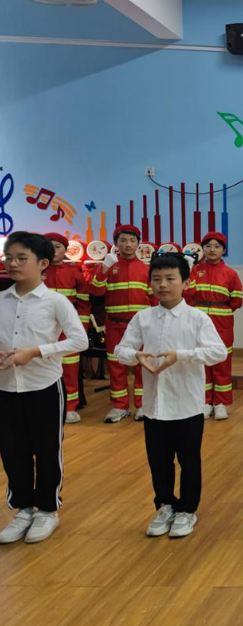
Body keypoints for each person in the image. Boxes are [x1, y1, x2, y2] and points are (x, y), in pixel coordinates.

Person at [115, 253, 227, 538]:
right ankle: (165, 505)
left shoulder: (197, 318)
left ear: (186, 283)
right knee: (158, 461)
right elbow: (121, 350)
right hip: (154, 406)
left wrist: (181, 355)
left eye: (170, 278)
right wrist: (136, 356)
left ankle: (187, 510)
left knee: (189, 461)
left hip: (187, 404)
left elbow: (218, 352)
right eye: (156, 279)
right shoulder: (143, 318)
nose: (162, 285)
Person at [0, 232, 88, 544]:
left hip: (44, 387)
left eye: (22, 258)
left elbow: (80, 340)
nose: (13, 263)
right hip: (6, 389)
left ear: (43, 264)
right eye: (9, 257)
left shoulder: (56, 301)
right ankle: (23, 509)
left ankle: (48, 510)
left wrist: (36, 351)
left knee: (47, 450)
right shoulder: (1, 300)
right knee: (12, 451)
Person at [89, 225, 155, 422]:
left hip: (141, 326)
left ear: (139, 244)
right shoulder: (108, 267)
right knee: (116, 365)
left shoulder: (147, 269)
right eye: (123, 240)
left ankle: (142, 405)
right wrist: (104, 269)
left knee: (142, 366)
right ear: (116, 243)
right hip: (115, 325)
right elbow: (96, 291)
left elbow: (154, 299)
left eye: (132, 240)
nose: (128, 244)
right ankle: (119, 407)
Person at [185, 232, 243, 420]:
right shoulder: (194, 271)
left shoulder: (231, 274)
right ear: (202, 249)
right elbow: (188, 295)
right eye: (208, 246)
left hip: (222, 324)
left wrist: (220, 311)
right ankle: (205, 402)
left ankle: (220, 404)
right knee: (202, 363)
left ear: (223, 250)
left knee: (222, 364)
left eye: (217, 246)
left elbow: (237, 300)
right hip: (198, 324)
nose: (212, 250)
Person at [43, 232, 90, 424]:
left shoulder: (74, 271)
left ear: (66, 249)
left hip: (66, 329)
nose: (54, 250)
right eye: (49, 246)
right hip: (42, 329)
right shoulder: (34, 270)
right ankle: (46, 407)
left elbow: (84, 302)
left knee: (70, 369)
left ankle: (70, 408)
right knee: (43, 366)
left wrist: (81, 327)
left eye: (58, 246)